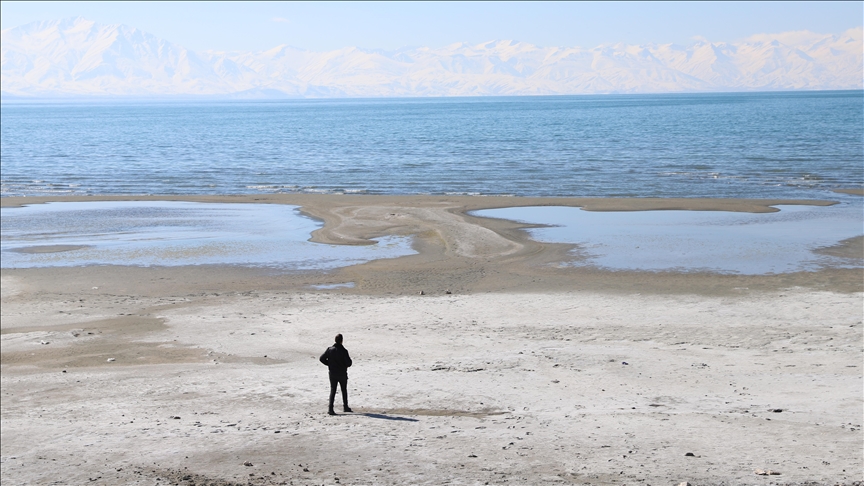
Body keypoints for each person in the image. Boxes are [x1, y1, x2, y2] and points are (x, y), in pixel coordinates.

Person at [319, 333, 353, 415]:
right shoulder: (344, 351)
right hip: (342, 373)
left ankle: (330, 409)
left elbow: (321, 358)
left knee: (333, 390)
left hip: (332, 373)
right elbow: (349, 363)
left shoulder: (330, 349)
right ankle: (345, 407)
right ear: (341, 341)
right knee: (344, 390)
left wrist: (329, 364)